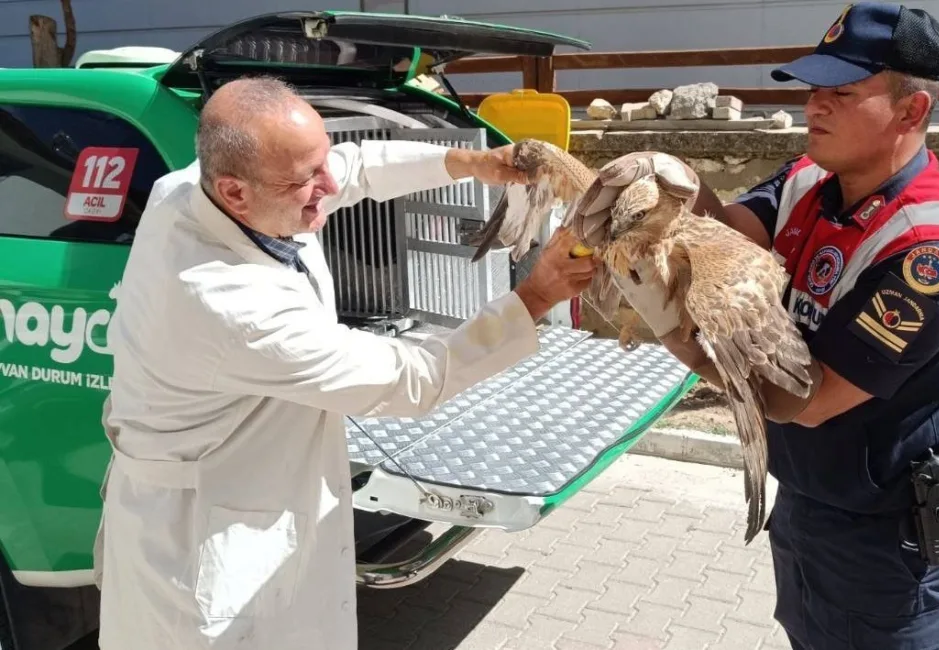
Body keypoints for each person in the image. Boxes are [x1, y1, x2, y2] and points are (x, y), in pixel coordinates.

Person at [93, 76, 598, 650]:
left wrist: (476, 162)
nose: (328, 187)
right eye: (305, 181)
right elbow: (415, 379)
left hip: (238, 495)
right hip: (207, 559)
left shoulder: (196, 189)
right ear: (235, 192)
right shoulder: (228, 304)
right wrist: (535, 296)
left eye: (321, 162)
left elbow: (355, 166)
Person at [577, 3, 939, 649]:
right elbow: (728, 236)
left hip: (888, 538)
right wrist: (669, 181)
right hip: (810, 499)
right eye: (814, 90)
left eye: (842, 92)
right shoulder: (811, 181)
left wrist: (678, 335)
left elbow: (806, 402)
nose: (816, 108)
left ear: (911, 111)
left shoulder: (934, 256)